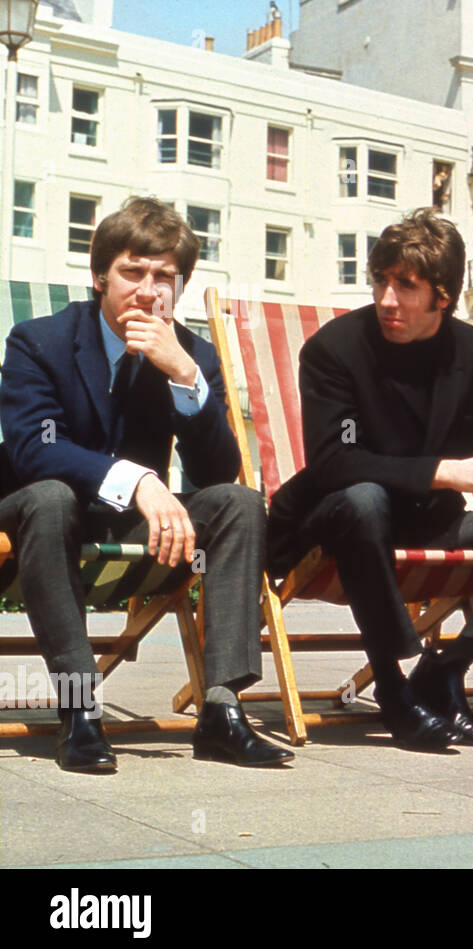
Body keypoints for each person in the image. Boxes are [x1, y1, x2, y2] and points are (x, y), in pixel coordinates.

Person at [269, 209, 473, 751]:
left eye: (407, 286)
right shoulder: (335, 350)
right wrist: (446, 472)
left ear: (443, 295)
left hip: (424, 526)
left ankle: (447, 667)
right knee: (365, 499)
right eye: (380, 281)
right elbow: (332, 462)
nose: (387, 299)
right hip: (330, 526)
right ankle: (394, 687)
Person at [0, 197, 292, 772]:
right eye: (133, 271)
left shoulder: (191, 354)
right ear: (100, 276)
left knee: (237, 502)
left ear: (179, 287)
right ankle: (80, 712)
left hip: (132, 530)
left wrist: (184, 377)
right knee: (53, 497)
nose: (147, 289)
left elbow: (215, 474)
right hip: (33, 519)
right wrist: (139, 481)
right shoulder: (39, 341)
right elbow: (36, 448)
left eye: (164, 276)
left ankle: (221, 710)